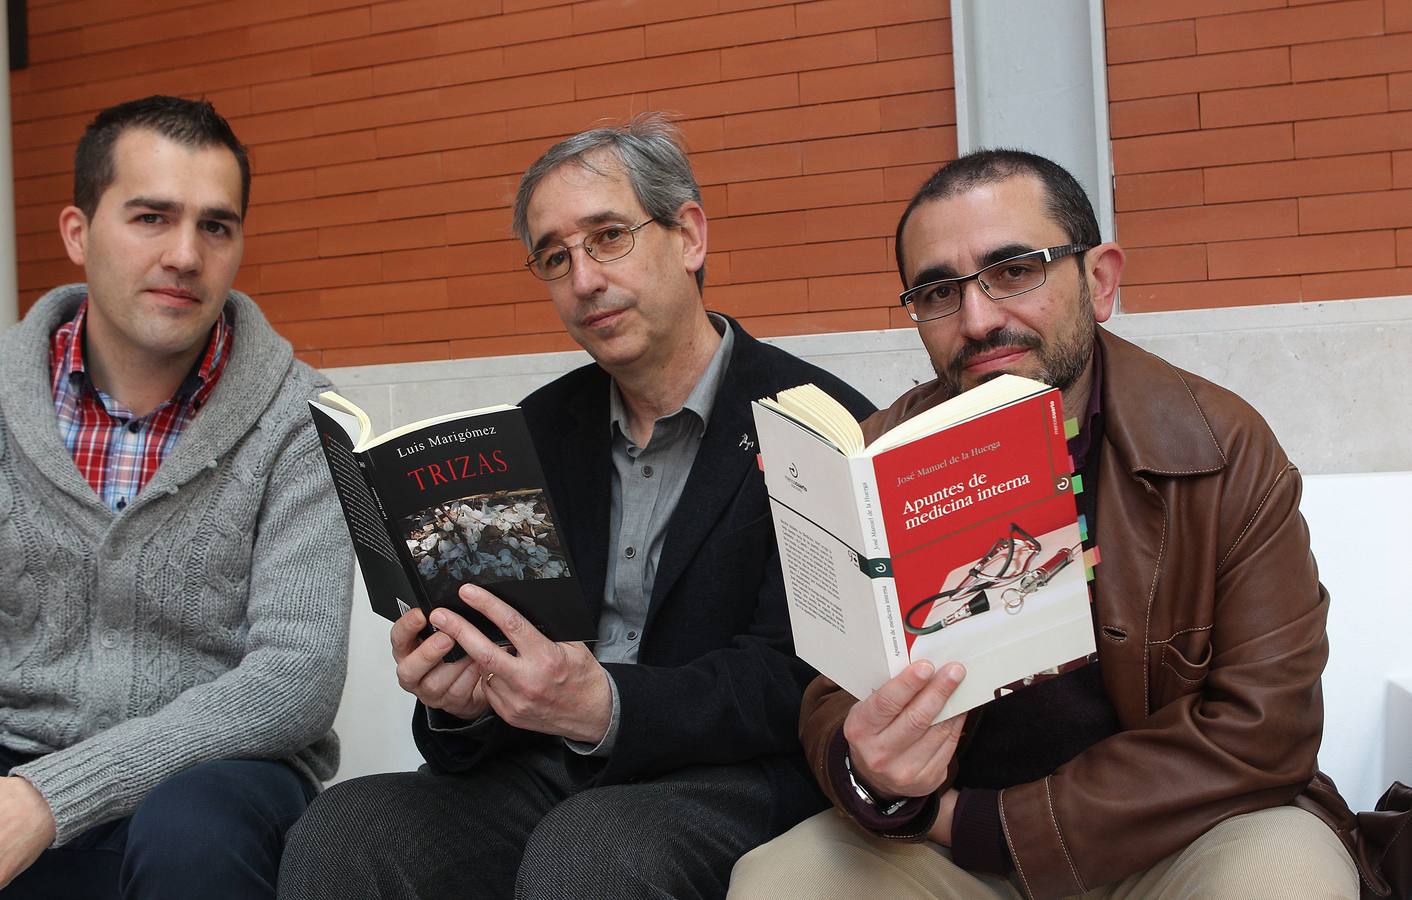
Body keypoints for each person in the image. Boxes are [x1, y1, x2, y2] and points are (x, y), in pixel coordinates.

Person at [727, 149, 1367, 899]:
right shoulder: (877, 463)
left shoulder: (1218, 445)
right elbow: (831, 693)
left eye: (1014, 270)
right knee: (779, 883)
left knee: (1288, 882)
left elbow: (1268, 726)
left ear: (1099, 280)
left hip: (1184, 835)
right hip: (946, 853)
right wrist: (869, 770)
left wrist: (982, 823)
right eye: (938, 290)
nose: (978, 318)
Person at [276, 115, 876, 900]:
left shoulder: (820, 422)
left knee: (590, 852)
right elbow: (501, 659)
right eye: (555, 257)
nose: (584, 279)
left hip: (730, 778)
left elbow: (807, 679)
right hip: (545, 767)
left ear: (688, 235)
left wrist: (610, 705)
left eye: (607, 237)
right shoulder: (530, 435)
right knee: (344, 832)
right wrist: (456, 700)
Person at [0, 95, 353, 899]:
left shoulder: (303, 421)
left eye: (216, 226)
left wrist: (52, 798)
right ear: (78, 233)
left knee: (190, 833)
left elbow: (296, 678)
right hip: (13, 751)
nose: (186, 255)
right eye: (151, 218)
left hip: (216, 775)